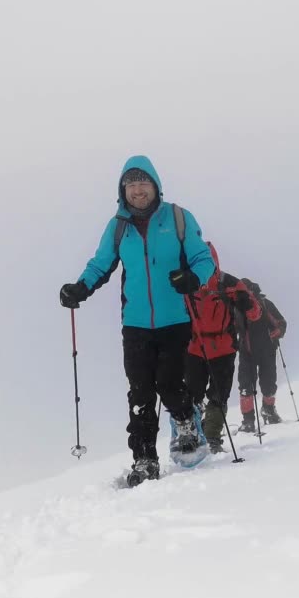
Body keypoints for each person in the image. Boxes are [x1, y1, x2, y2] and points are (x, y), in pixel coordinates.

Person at [59, 155, 215, 487]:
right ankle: (144, 458)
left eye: (143, 183)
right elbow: (101, 264)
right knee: (140, 391)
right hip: (136, 324)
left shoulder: (178, 218)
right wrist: (79, 288)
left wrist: (192, 278)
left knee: (169, 383)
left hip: (175, 319)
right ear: (123, 190)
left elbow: (203, 259)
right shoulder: (118, 227)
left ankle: (186, 421)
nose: (137, 190)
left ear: (155, 185)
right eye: (131, 184)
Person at [183, 242, 263, 452]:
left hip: (203, 348)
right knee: (209, 394)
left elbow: (255, 313)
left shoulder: (194, 285)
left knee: (201, 394)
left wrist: (249, 305)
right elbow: (254, 313)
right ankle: (207, 437)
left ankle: (202, 436)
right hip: (210, 348)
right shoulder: (227, 283)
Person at [236, 278, 288, 431]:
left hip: (250, 351)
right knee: (265, 383)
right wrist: (277, 333)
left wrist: (278, 332)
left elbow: (281, 323)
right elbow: (281, 323)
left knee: (250, 385)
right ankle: (267, 412)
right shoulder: (242, 306)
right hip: (263, 351)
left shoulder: (244, 306)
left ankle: (249, 421)